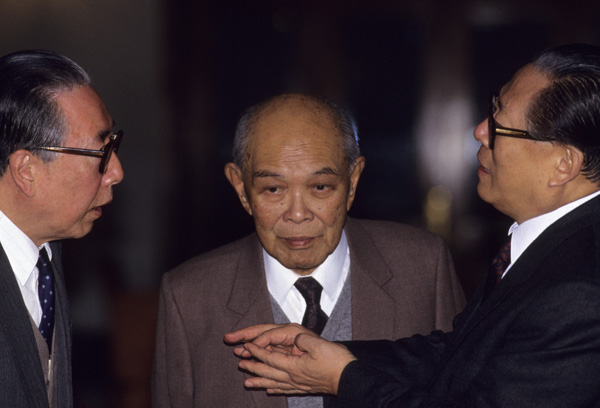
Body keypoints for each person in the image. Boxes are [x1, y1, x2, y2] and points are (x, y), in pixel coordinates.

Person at [225, 43, 600, 407]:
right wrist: (334, 353)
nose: (480, 131)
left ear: (563, 165)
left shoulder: (580, 291)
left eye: (502, 127)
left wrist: (343, 378)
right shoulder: (548, 247)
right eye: (493, 107)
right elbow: (458, 357)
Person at [152, 93, 466, 407]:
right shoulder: (189, 297)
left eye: (320, 187)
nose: (298, 213)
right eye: (273, 189)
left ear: (352, 182)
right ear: (241, 188)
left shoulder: (423, 267)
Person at [0, 50, 124, 407]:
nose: (116, 172)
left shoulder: (46, 259)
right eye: (102, 152)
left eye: (114, 145)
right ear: (27, 171)